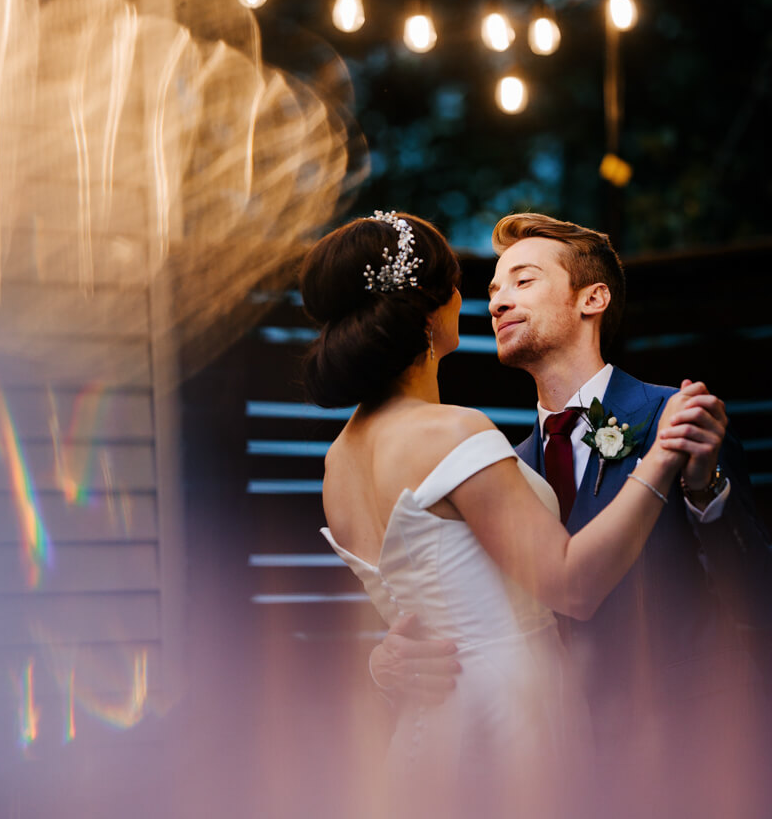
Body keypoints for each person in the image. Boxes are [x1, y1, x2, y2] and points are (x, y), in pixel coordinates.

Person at [301, 210, 710, 787]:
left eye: (521, 282)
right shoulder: (452, 433)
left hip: (431, 729)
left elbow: (422, 598)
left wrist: (384, 659)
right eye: (477, 287)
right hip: (512, 719)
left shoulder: (336, 465)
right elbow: (569, 584)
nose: (490, 300)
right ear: (430, 307)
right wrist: (661, 459)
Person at [369, 212, 769, 754]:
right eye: (493, 291)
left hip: (688, 743)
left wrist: (704, 491)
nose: (497, 302)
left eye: (523, 280)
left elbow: (754, 597)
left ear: (592, 299)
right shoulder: (501, 469)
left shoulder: (672, 417)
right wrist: (391, 656)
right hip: (558, 751)